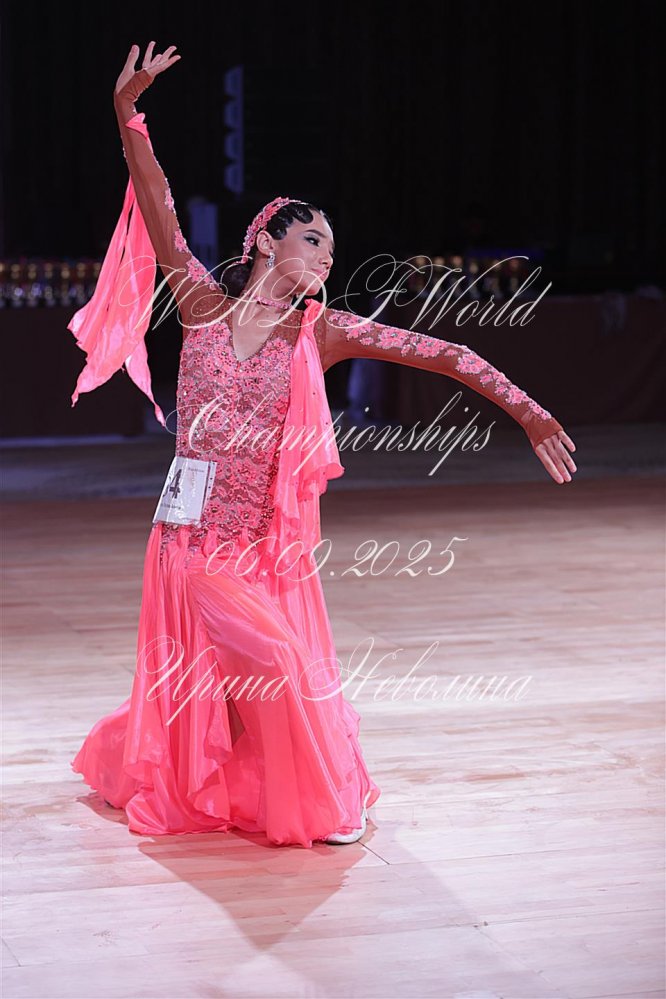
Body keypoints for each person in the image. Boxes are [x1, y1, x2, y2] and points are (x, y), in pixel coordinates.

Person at [69, 43, 577, 849]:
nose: (327, 255)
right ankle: (317, 801)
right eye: (313, 239)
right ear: (266, 241)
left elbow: (443, 353)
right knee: (271, 665)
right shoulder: (198, 303)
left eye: (332, 247)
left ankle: (242, 778)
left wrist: (529, 410)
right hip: (187, 544)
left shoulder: (322, 331)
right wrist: (128, 114)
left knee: (242, 693)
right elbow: (156, 202)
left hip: (260, 550)